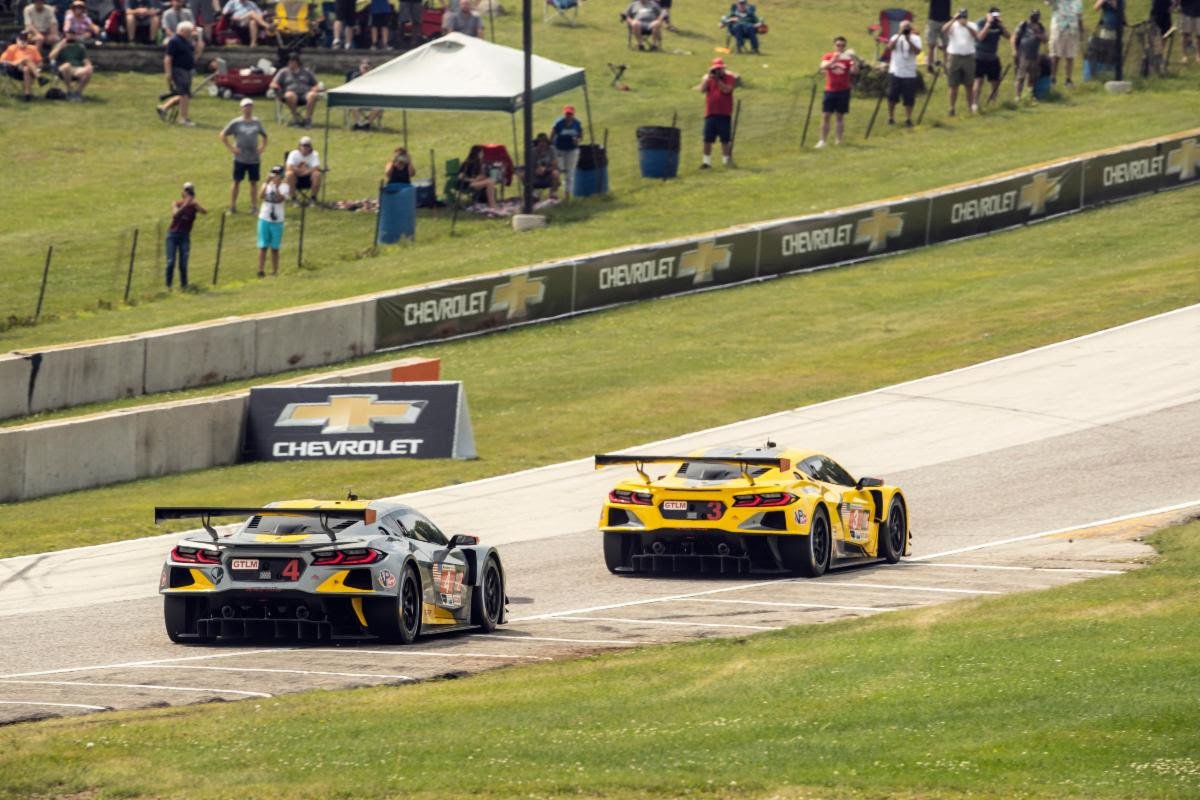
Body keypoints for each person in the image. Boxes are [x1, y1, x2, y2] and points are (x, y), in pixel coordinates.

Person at [221, 97, 269, 214]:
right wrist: (232, 149)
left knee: (253, 182)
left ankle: (253, 207)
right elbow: (223, 135)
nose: (248, 108)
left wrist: (262, 148)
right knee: (236, 181)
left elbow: (265, 136)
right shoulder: (236, 122)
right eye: (246, 106)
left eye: (250, 106)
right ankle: (232, 206)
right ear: (242, 108)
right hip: (240, 158)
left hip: (254, 158)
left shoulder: (257, 122)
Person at [816, 36, 859, 148]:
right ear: (834, 46)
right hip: (830, 89)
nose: (840, 47)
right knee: (826, 115)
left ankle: (838, 140)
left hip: (843, 90)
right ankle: (822, 141)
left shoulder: (848, 59)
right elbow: (822, 67)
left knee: (840, 116)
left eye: (842, 45)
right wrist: (833, 60)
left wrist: (854, 61)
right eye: (838, 45)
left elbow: (855, 72)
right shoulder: (829, 56)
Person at [697, 56, 738, 168]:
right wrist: (707, 78)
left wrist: (717, 80)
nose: (718, 71)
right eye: (716, 69)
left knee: (725, 139)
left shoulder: (729, 77)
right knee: (707, 139)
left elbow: (727, 90)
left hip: (724, 113)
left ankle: (726, 161)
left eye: (720, 69)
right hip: (710, 113)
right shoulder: (709, 78)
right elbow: (702, 90)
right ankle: (706, 162)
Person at [166, 182, 207, 289]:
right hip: (172, 235)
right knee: (171, 262)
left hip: (185, 235)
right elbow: (175, 214)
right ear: (182, 193)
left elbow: (204, 212)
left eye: (190, 192)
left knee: (183, 263)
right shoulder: (176, 203)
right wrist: (185, 205)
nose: (188, 194)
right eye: (186, 191)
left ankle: (184, 285)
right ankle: (168, 286)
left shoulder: (194, 206)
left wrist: (195, 204)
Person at [157, 20, 199, 126]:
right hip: (178, 70)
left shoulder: (187, 41)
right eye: (189, 31)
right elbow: (168, 58)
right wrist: (168, 73)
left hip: (187, 70)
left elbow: (194, 49)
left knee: (184, 95)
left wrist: (196, 38)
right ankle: (184, 118)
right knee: (184, 94)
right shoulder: (174, 41)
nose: (190, 33)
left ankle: (163, 108)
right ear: (183, 30)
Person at [941, 9, 979, 115]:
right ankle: (952, 108)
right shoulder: (953, 25)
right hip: (954, 57)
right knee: (953, 84)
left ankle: (970, 108)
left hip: (968, 57)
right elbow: (944, 30)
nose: (962, 19)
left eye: (964, 17)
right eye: (961, 17)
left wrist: (966, 25)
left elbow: (977, 36)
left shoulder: (972, 25)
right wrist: (953, 19)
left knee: (969, 85)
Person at [886, 19, 922, 126]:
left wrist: (908, 40)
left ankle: (908, 118)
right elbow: (890, 47)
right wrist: (899, 35)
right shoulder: (894, 37)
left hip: (909, 73)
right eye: (903, 27)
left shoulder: (916, 38)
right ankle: (891, 117)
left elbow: (917, 52)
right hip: (895, 71)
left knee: (909, 97)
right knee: (892, 96)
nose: (906, 29)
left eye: (907, 27)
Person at [270, 54, 322, 128]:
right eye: (289, 62)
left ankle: (307, 120)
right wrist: (276, 87)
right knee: (290, 95)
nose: (290, 64)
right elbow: (272, 83)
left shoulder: (306, 72)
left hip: (305, 94)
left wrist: (315, 88)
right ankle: (296, 119)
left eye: (292, 62)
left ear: (297, 62)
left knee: (312, 95)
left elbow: (316, 84)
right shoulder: (283, 72)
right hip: (289, 95)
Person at [257, 166, 290, 277]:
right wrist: (266, 183)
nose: (274, 177)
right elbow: (260, 196)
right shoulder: (267, 185)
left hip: (277, 221)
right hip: (264, 218)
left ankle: (274, 271)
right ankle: (260, 270)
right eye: (273, 174)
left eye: (277, 174)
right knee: (263, 246)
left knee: (275, 248)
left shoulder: (285, 187)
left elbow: (280, 198)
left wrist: (276, 187)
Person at [1012, 8, 1047, 100]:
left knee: (1032, 77)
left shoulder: (1040, 26)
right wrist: (1014, 51)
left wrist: (1037, 32)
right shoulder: (1023, 25)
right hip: (1023, 55)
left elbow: (1045, 39)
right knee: (1020, 76)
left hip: (1034, 55)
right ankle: (1017, 97)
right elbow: (1014, 37)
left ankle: (1029, 95)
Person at [49, 30, 92, 100]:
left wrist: (89, 66)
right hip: (62, 68)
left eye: (73, 34)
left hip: (76, 69)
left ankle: (78, 92)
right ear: (65, 36)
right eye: (69, 34)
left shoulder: (80, 47)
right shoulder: (59, 45)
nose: (71, 36)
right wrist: (60, 48)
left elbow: (86, 61)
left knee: (89, 69)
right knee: (67, 66)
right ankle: (69, 91)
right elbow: (51, 57)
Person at [1047, 0, 1083, 85]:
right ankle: (1052, 78)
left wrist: (1081, 30)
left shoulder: (1078, 1)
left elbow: (1080, 16)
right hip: (1059, 28)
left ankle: (1068, 79)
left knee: (1070, 56)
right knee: (1055, 56)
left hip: (1072, 30)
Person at [551, 104, 583, 199]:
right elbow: (552, 135)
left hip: (572, 150)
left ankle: (567, 196)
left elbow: (580, 136)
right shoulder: (559, 123)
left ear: (573, 114)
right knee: (558, 170)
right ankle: (554, 193)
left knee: (570, 172)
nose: (568, 116)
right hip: (559, 149)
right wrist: (551, 147)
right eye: (567, 114)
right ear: (564, 114)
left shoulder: (577, 123)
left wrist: (578, 140)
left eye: (570, 114)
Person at [2, 31, 43, 102]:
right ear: (17, 40)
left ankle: (27, 95)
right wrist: (15, 62)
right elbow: (2, 61)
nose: (23, 42)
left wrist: (33, 66)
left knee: (26, 68)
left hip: (31, 72)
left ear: (27, 41)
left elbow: (40, 63)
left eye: (25, 40)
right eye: (21, 40)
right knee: (25, 59)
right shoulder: (12, 48)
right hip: (15, 70)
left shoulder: (33, 48)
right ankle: (39, 77)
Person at [346, 58, 383, 129]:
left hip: (370, 100)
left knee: (379, 106)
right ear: (360, 67)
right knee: (353, 105)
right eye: (364, 67)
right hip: (357, 99)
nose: (366, 69)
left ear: (371, 68)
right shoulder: (355, 75)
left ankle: (367, 123)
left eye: (367, 68)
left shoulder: (375, 77)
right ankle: (357, 124)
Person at [521, 133, 559, 199]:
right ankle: (532, 193)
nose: (542, 144)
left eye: (544, 142)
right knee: (523, 174)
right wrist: (536, 170)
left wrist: (546, 169)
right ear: (537, 143)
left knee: (555, 173)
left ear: (547, 143)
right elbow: (528, 166)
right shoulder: (532, 151)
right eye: (540, 142)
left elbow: (555, 166)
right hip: (535, 175)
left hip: (548, 174)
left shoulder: (552, 150)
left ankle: (553, 193)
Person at [285, 135, 323, 200]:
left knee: (317, 174)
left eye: (307, 146)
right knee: (289, 174)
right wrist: (301, 171)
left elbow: (316, 168)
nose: (305, 148)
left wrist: (306, 172)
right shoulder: (293, 154)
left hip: (309, 178)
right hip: (296, 178)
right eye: (303, 145)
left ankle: (313, 198)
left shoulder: (314, 154)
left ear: (310, 147)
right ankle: (294, 198)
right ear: (299, 146)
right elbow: (289, 167)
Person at [926, 0, 953, 72]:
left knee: (946, 46)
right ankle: (930, 65)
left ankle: (945, 66)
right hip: (936, 20)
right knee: (932, 45)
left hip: (943, 20)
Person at [1183, 0, 1200, 65]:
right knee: (1185, 34)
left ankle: (1198, 55)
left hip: (1198, 12)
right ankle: (1185, 56)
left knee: (1199, 36)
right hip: (1186, 11)